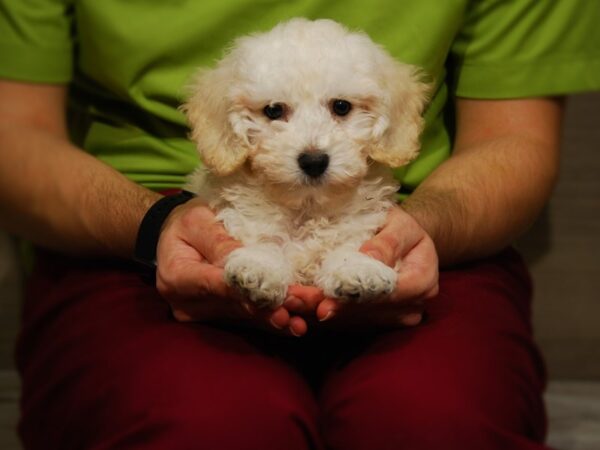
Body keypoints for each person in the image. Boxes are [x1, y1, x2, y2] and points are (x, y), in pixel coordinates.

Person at [0, 1, 598, 449]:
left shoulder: (386, 121)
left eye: (343, 109)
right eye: (275, 112)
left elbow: (515, 140)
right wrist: (155, 226)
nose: (312, 144)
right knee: (202, 427)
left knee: (439, 424)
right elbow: (14, 138)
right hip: (142, 224)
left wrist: (413, 229)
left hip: (425, 219)